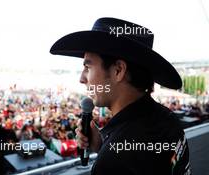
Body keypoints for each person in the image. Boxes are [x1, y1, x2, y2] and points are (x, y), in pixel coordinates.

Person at [50, 18, 191, 175]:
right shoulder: (168, 119)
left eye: (88, 67)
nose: (82, 79)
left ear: (118, 70)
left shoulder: (114, 161)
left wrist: (108, 152)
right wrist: (105, 144)